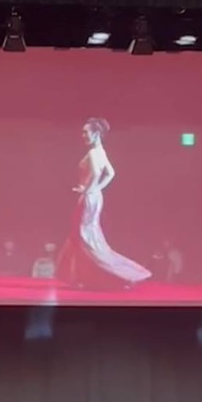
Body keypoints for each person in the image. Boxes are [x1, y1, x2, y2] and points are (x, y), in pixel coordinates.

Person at [57, 118, 151, 288]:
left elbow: (95, 173)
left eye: (86, 132)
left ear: (96, 134)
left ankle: (104, 276)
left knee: (84, 238)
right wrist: (97, 189)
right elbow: (111, 173)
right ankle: (90, 277)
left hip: (88, 198)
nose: (83, 135)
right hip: (95, 197)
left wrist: (87, 189)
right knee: (89, 237)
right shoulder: (101, 151)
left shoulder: (94, 153)